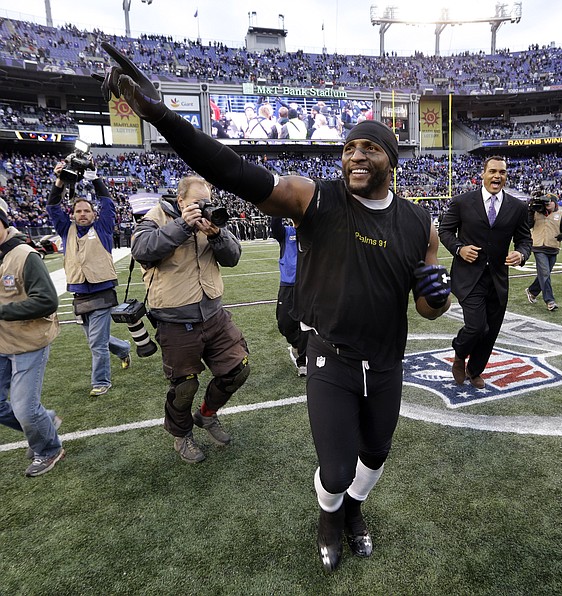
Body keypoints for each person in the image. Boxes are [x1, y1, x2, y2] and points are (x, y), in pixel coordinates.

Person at [98, 44, 451, 572]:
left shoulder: (420, 222)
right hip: (331, 355)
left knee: (375, 455)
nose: (355, 155)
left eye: (369, 148)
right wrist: (162, 116)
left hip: (386, 359)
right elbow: (237, 172)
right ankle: (330, 514)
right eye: (349, 146)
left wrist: (436, 293)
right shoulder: (315, 198)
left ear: (390, 160)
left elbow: (426, 310)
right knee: (334, 472)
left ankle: (355, 511)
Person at [130, 176, 250, 464]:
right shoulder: (153, 219)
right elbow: (142, 250)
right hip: (174, 319)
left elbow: (233, 257)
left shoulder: (211, 219)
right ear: (181, 200)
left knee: (238, 369)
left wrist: (216, 234)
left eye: (206, 201)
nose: (203, 207)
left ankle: (206, 415)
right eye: (197, 202)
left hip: (214, 314)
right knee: (184, 386)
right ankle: (181, 435)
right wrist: (183, 225)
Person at [438, 155, 532, 388]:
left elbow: (525, 240)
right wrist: (459, 249)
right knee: (477, 326)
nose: (497, 176)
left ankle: (475, 370)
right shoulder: (462, 202)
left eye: (502, 172)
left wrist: (521, 254)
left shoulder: (518, 207)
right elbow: (445, 231)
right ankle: (460, 354)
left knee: (491, 331)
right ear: (483, 174)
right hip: (468, 276)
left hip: (498, 279)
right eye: (492, 171)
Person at [47, 161, 131, 397]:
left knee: (96, 343)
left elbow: (108, 204)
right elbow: (52, 206)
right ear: (72, 215)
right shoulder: (66, 229)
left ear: (94, 214)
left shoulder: (103, 227)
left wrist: (96, 179)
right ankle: (124, 349)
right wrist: (60, 182)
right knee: (97, 339)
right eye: (78, 211)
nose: (82, 214)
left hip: (103, 292)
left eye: (87, 211)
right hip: (80, 294)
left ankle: (101, 381)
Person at [0, 203, 65, 477]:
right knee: (25, 412)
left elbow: (48, 301)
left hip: (28, 343)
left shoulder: (25, 255)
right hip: (2, 343)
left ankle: (49, 449)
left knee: (25, 409)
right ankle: (46, 422)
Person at [269, 215, 307, 376]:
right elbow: (275, 225)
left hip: (308, 285)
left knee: (307, 325)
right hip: (288, 285)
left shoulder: (312, 232)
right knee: (284, 323)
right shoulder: (286, 232)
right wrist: (280, 207)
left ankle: (303, 362)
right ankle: (297, 346)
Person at [524, 193, 562, 311]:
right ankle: (550, 301)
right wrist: (530, 210)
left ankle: (532, 291)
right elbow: (527, 224)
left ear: (554, 202)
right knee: (545, 273)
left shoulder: (561, 214)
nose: (547, 205)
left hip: (553, 247)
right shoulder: (537, 212)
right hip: (538, 247)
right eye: (545, 203)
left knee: (544, 274)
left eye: (549, 202)